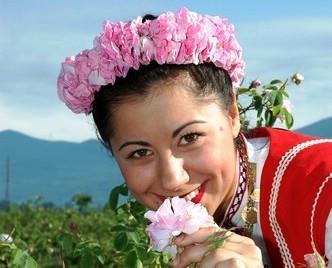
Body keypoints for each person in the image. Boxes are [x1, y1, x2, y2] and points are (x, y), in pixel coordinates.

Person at [57, 7, 332, 267]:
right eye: (139, 153)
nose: (172, 179)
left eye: (189, 138)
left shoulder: (324, 187)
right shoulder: (170, 232)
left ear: (232, 115)